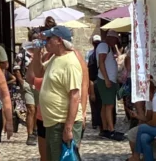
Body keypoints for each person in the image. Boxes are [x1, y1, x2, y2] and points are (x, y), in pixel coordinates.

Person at [26, 25, 83, 161]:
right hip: (52, 121)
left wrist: (68, 128)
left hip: (62, 122)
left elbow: (75, 96)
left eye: (49, 38)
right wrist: (37, 52)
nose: (46, 41)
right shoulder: (55, 58)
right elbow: (38, 72)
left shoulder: (70, 63)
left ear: (59, 40)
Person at [96, 29, 122, 140]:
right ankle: (111, 130)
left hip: (107, 79)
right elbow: (101, 62)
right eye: (115, 40)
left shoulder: (107, 47)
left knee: (105, 105)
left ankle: (105, 129)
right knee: (109, 105)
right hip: (106, 80)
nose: (115, 42)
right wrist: (106, 79)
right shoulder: (103, 46)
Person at [12, 33, 38, 146]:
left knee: (38, 109)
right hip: (28, 84)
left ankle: (36, 129)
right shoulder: (23, 53)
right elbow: (16, 67)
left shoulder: (43, 52)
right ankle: (30, 134)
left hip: (40, 84)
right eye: (34, 39)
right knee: (31, 108)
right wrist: (22, 82)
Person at [86, 35, 103, 130]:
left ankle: (100, 123)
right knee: (95, 103)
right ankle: (96, 122)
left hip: (99, 81)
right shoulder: (90, 55)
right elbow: (90, 71)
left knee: (100, 105)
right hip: (95, 80)